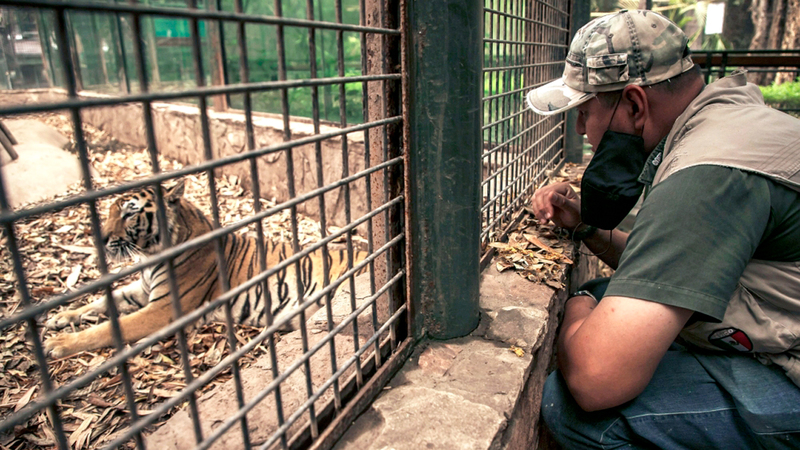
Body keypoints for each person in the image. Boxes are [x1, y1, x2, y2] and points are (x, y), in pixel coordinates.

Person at [527, 9, 800, 449]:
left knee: (576, 408)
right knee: (606, 297)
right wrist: (585, 228)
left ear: (634, 103)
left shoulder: (709, 171)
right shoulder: (726, 124)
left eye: (585, 111)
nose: (581, 128)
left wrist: (574, 303)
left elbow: (595, 380)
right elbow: (679, 264)